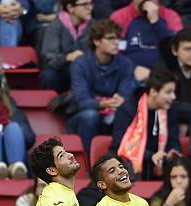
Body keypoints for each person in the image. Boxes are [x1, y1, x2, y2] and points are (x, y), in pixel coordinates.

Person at [68, 19, 134, 158]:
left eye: (118, 38)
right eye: (111, 39)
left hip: (114, 112)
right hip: (81, 117)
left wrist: (118, 101)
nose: (116, 42)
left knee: (127, 113)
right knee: (90, 116)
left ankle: (122, 163)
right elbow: (81, 101)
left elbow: (126, 94)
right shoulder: (80, 63)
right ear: (97, 41)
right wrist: (104, 103)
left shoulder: (125, 63)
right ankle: (87, 164)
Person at [112, 69, 181, 180]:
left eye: (174, 92)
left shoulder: (170, 110)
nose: (173, 97)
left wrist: (171, 152)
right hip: (128, 160)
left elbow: (173, 139)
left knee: (180, 165)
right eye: (168, 92)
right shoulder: (128, 109)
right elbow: (121, 145)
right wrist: (150, 156)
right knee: (129, 165)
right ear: (153, 92)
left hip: (158, 160)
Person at [110, 0, 182, 83]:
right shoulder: (119, 17)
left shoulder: (171, 16)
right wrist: (133, 68)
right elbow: (115, 53)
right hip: (131, 76)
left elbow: (177, 50)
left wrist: (156, 21)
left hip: (165, 75)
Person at [38, 0, 93, 93]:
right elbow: (49, 59)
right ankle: (51, 105)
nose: (90, 8)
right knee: (48, 75)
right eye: (85, 4)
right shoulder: (55, 26)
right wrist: (67, 57)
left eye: (91, 3)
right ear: (70, 8)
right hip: (62, 71)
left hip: (85, 71)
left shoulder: (94, 26)